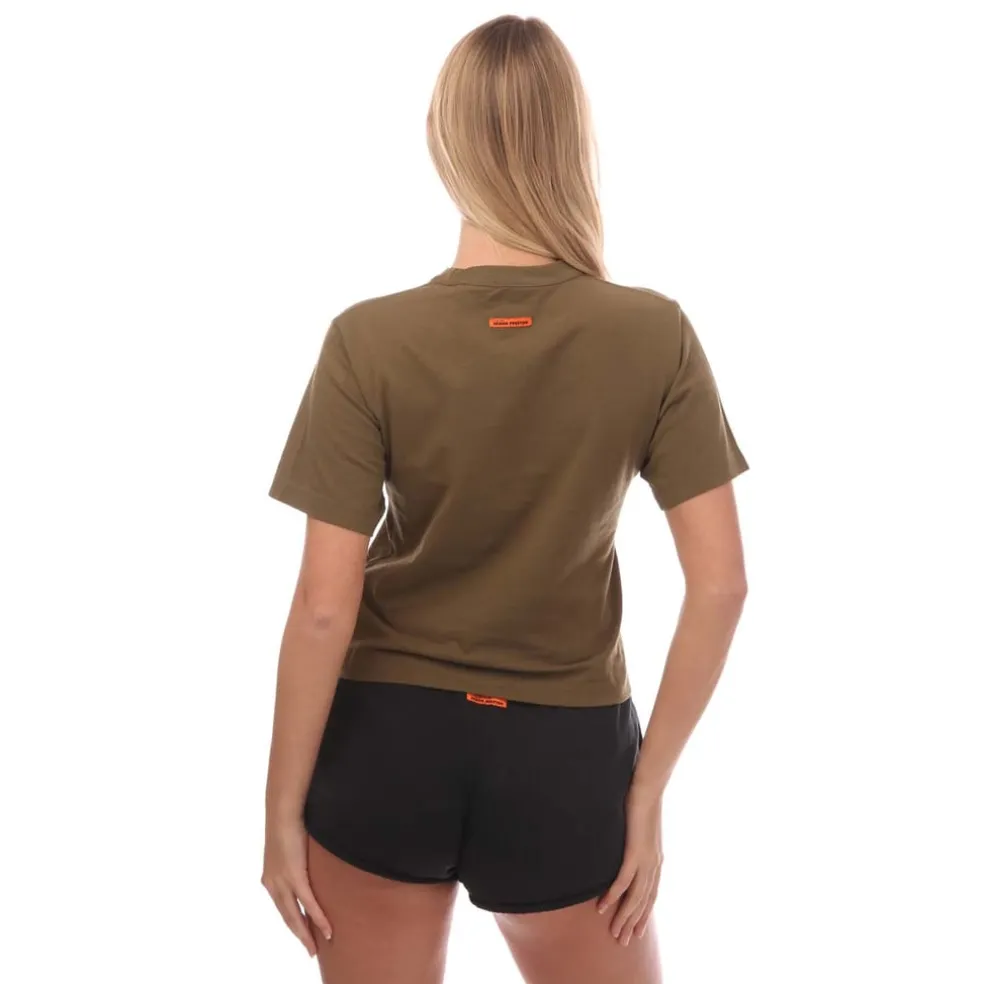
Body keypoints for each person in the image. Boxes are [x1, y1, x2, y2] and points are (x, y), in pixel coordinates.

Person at [260, 14, 748, 984]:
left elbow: (323, 605)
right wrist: (647, 791)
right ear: (574, 141)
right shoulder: (654, 334)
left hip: (386, 739)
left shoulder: (367, 338)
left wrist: (280, 810)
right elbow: (722, 585)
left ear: (441, 138)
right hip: (564, 756)